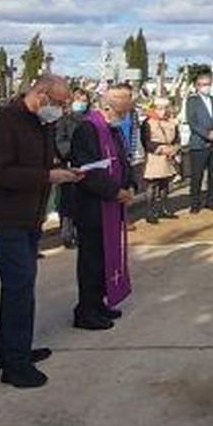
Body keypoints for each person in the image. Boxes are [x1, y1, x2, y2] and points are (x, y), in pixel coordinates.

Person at [0, 74, 83, 388]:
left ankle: (7, 348)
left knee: (20, 285)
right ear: (40, 94)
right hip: (5, 215)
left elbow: (43, 163)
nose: (63, 109)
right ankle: (16, 365)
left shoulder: (42, 123)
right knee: (19, 287)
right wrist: (48, 176)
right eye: (60, 103)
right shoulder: (2, 122)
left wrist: (64, 171)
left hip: (29, 216)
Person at [68, 86, 137, 330]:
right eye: (126, 104)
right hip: (92, 206)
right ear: (111, 104)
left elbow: (122, 161)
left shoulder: (113, 129)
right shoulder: (88, 129)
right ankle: (85, 310)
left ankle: (98, 303)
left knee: (105, 258)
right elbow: (86, 170)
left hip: (111, 203)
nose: (129, 109)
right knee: (92, 260)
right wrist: (114, 191)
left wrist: (129, 185)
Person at [54, 88, 91, 250]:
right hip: (69, 166)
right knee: (68, 202)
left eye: (84, 100)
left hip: (88, 167)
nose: (81, 103)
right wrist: (74, 150)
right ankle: (67, 234)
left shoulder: (91, 121)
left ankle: (82, 232)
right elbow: (60, 142)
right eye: (78, 99)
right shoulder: (64, 120)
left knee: (84, 201)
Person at [181, 72, 213, 214]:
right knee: (197, 175)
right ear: (197, 86)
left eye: (208, 84)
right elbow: (193, 122)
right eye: (203, 85)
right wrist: (206, 134)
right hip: (199, 143)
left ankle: (211, 200)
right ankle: (195, 203)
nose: (206, 87)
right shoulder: (192, 101)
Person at [141, 97, 179, 220]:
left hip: (168, 157)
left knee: (165, 184)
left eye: (165, 108)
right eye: (160, 108)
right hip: (154, 157)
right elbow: (146, 141)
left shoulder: (172, 122)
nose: (163, 111)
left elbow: (177, 138)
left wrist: (174, 149)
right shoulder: (148, 123)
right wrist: (160, 148)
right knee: (152, 184)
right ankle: (149, 212)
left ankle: (164, 209)